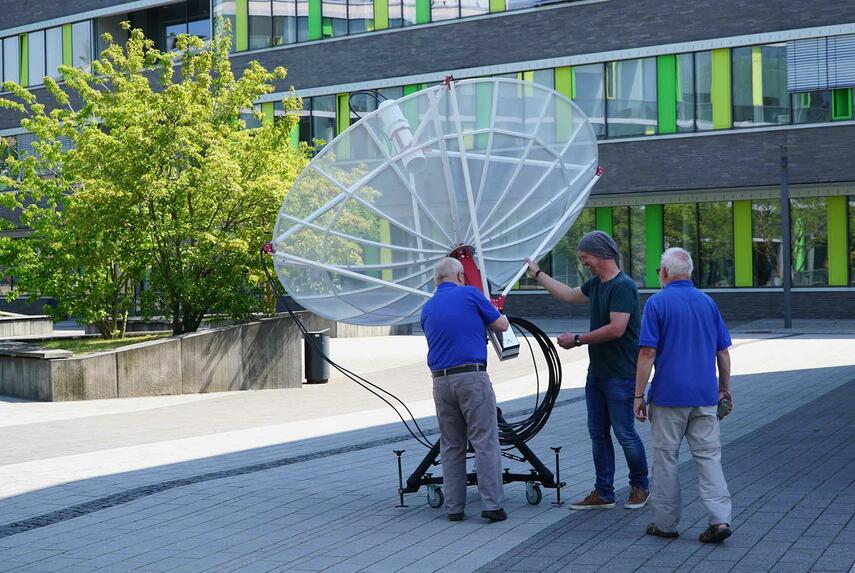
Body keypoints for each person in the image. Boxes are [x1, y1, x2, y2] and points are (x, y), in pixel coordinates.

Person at [525, 230, 649, 510]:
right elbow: (568, 295)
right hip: (598, 374)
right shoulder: (596, 284)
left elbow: (617, 329)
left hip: (621, 374)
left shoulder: (622, 286)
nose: (583, 263)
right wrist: (537, 274)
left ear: (601, 255)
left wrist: (578, 339)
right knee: (598, 433)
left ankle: (640, 486)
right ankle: (603, 492)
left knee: (624, 433)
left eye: (585, 257)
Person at [633, 247, 733, 543]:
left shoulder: (656, 303)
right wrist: (724, 387)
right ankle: (720, 519)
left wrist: (638, 395)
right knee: (709, 457)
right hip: (704, 396)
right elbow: (723, 352)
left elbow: (648, 352)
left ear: (664, 272)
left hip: (668, 397)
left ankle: (665, 523)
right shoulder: (707, 302)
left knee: (666, 459)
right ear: (688, 273)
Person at [421, 257, 510, 522]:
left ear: (437, 280)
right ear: (460, 276)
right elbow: (502, 325)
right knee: (484, 441)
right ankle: (492, 505)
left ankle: (454, 508)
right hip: (471, 378)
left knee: (451, 445)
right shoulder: (470, 294)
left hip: (440, 382)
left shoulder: (427, 307)